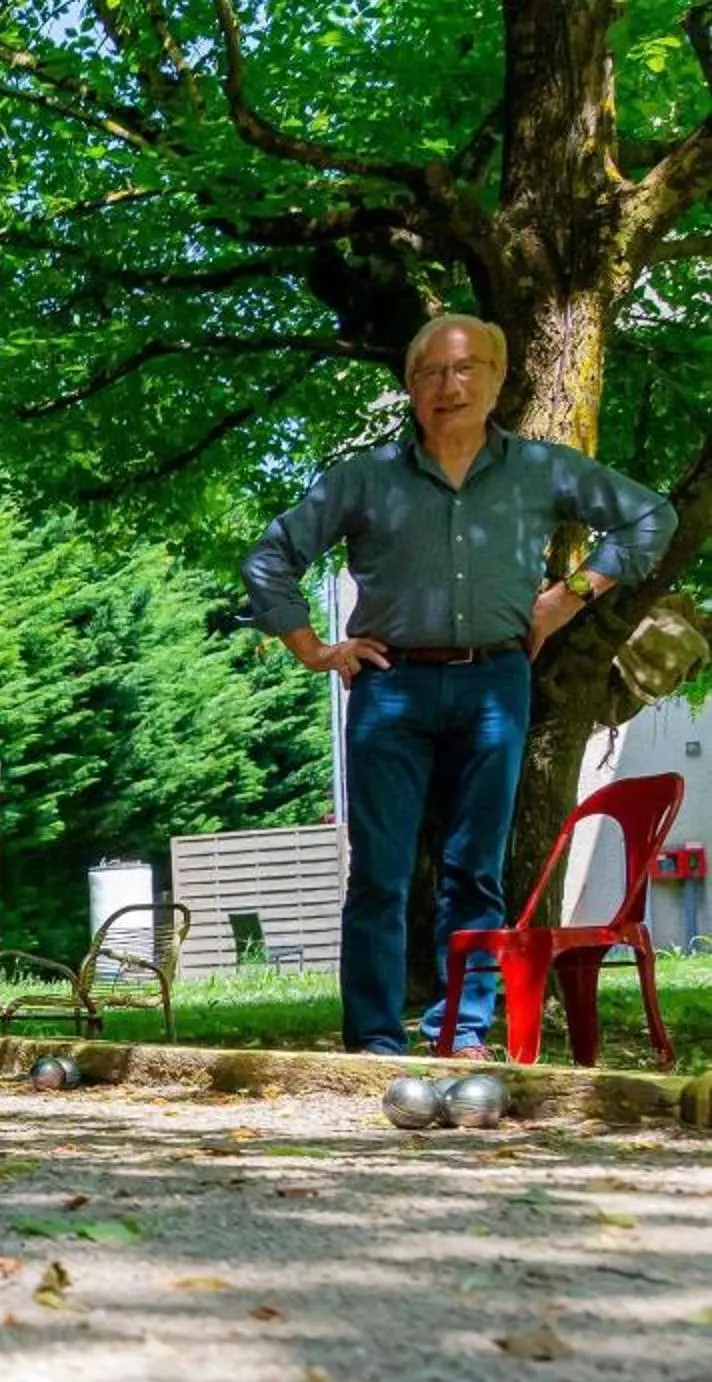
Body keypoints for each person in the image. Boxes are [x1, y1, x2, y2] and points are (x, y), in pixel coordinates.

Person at [242, 313, 672, 1058]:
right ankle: (375, 1040)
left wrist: (568, 596)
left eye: (468, 367)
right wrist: (313, 650)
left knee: (477, 868)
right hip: (391, 689)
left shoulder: (544, 469)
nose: (451, 385)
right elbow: (270, 557)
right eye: (433, 372)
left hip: (497, 684)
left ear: (499, 379)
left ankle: (462, 1031)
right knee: (379, 871)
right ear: (410, 387)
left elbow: (649, 516)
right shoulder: (364, 477)